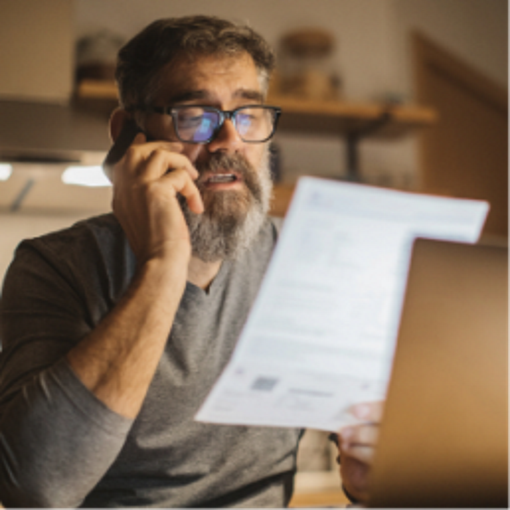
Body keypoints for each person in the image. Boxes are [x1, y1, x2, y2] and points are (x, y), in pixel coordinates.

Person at [0, 16, 380, 509]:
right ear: (128, 133)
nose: (228, 140)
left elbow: (370, 444)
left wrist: (371, 475)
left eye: (248, 114)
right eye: (194, 114)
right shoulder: (55, 267)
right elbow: (37, 486)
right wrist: (163, 262)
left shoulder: (300, 261)